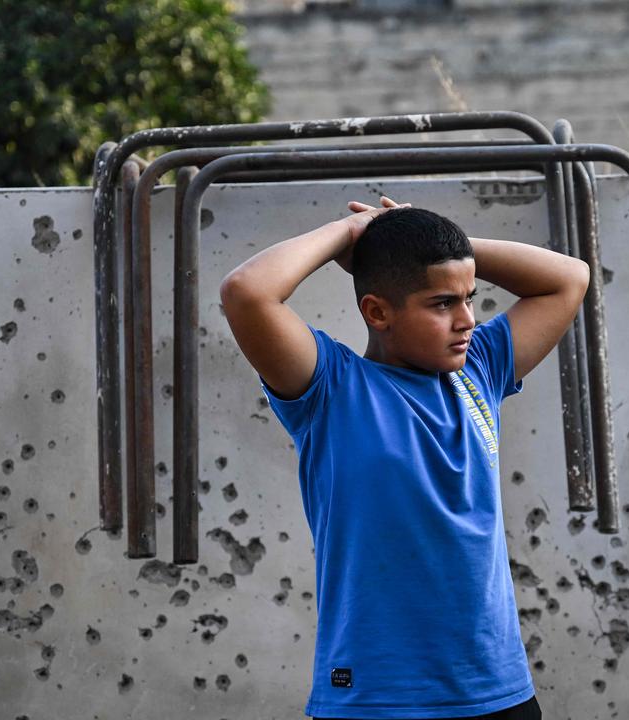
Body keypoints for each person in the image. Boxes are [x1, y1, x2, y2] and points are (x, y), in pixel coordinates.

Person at [218, 195, 589, 720]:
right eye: (442, 303)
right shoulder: (331, 389)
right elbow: (246, 292)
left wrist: (423, 237)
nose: (466, 319)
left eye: (470, 297)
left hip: (496, 693)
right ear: (377, 311)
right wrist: (351, 235)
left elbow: (569, 277)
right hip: (375, 699)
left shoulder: (478, 367)